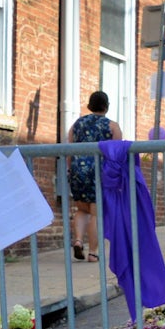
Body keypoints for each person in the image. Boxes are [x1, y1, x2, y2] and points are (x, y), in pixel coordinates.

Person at [68, 91, 123, 262]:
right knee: (97, 213)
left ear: (90, 106)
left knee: (82, 209)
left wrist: (71, 169)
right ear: (106, 106)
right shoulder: (112, 126)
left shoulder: (77, 124)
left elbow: (69, 148)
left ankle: (78, 240)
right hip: (99, 171)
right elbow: (117, 154)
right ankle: (93, 252)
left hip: (78, 170)